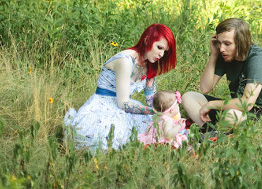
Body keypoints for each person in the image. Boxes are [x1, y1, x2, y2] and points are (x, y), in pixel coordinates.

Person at [63, 23, 177, 151]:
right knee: (108, 137)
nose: (161, 54)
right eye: (159, 47)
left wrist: (166, 111)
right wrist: (153, 112)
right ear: (147, 40)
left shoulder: (150, 64)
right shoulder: (125, 61)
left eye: (164, 51)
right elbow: (123, 104)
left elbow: (151, 100)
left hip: (125, 107)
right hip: (103, 105)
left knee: (156, 129)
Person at [181, 18, 262, 134]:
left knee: (230, 116)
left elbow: (246, 104)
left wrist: (212, 105)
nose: (222, 48)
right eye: (219, 43)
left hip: (261, 115)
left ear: (241, 42)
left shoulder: (257, 60)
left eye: (227, 44)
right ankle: (210, 132)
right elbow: (205, 88)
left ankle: (216, 132)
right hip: (237, 108)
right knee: (188, 97)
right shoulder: (225, 55)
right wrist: (213, 55)